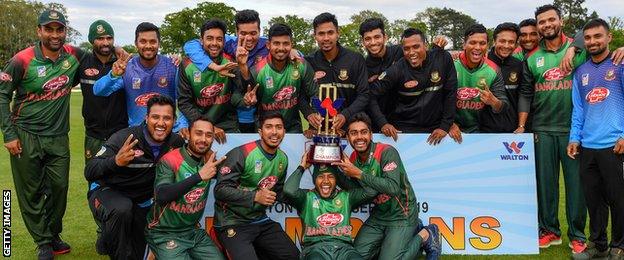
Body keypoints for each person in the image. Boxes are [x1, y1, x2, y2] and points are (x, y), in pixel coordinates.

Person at [0, 9, 87, 259]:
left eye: (59, 29)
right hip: (26, 135)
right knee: (32, 192)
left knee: (59, 188)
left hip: (59, 137)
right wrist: (9, 134)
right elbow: (2, 93)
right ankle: (43, 242)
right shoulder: (22, 60)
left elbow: (99, 59)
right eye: (49, 29)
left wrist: (120, 53)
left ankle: (53, 232)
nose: (55, 34)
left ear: (65, 31)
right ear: (39, 31)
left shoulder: (73, 55)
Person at [517, 5, 589, 254]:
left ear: (561, 20)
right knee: (546, 186)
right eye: (542, 22)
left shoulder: (579, 47)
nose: (546, 25)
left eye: (551, 20)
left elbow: (592, 28)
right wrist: (523, 125)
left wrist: (573, 46)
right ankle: (549, 231)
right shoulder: (531, 57)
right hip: (543, 129)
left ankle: (578, 235)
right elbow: (526, 93)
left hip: (573, 131)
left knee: (575, 187)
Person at [85, 95, 185, 260]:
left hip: (140, 201)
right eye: (155, 117)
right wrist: (115, 161)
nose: (161, 123)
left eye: (167, 118)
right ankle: (110, 234)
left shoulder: (176, 142)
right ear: (146, 118)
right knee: (122, 210)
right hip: (106, 192)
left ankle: (108, 237)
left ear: (174, 120)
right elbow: (90, 170)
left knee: (139, 253)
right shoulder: (124, 138)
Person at [332, 112, 442, 260]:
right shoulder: (352, 158)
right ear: (348, 137)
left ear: (371, 134)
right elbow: (357, 191)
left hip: (402, 214)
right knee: (355, 256)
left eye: (364, 132)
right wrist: (333, 168)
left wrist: (358, 173)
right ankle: (395, 242)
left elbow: (393, 188)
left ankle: (426, 234)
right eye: (354, 133)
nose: (359, 137)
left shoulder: (386, 152)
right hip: (379, 215)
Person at [184, 10, 298, 133]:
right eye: (243, 33)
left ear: (260, 31)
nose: (248, 38)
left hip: (260, 117)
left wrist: (293, 51)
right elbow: (191, 45)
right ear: (236, 32)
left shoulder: (267, 45)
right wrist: (213, 66)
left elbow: (286, 50)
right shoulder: (228, 43)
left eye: (253, 33)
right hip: (235, 116)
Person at [567, 18, 624, 260]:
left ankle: (619, 245)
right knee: (594, 200)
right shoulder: (581, 71)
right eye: (588, 38)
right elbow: (578, 109)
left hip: (614, 145)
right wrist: (574, 138)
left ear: (609, 37)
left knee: (618, 199)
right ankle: (598, 245)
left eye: (597, 36)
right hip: (588, 146)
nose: (593, 42)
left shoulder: (621, 64)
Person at [213, 111, 299, 259]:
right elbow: (220, 190)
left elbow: (278, 192)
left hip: (260, 220)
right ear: (260, 132)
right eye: (269, 127)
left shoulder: (282, 158)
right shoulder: (242, 153)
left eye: (278, 127)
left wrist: (306, 197)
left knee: (292, 255)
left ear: (284, 132)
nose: (274, 132)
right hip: (232, 221)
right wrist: (255, 196)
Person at [145, 117, 226, 260]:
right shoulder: (170, 160)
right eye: (198, 133)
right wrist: (199, 176)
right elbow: (162, 195)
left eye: (208, 135)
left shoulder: (209, 160)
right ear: (188, 134)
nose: (203, 139)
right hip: (164, 232)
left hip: (193, 231)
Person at [93, 22, 188, 135]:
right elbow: (98, 91)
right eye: (143, 41)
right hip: (139, 135)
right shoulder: (127, 68)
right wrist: (113, 75)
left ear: (159, 43)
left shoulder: (172, 66)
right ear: (136, 44)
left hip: (169, 132)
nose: (148, 46)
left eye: (152, 41)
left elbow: (185, 100)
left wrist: (183, 125)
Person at [368, 28, 457, 144]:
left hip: (436, 129)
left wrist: (445, 125)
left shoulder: (443, 59)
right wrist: (383, 123)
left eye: (416, 47)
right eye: (406, 49)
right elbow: (370, 95)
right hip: (404, 131)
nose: (411, 52)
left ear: (425, 45)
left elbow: (450, 93)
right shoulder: (397, 69)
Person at [178, 19, 254, 144]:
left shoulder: (231, 61)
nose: (214, 43)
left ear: (224, 41)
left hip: (227, 124)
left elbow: (244, 89)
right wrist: (208, 126)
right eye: (209, 38)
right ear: (201, 41)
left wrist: (243, 66)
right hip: (198, 122)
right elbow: (184, 103)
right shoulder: (187, 65)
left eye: (219, 39)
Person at [284, 162, 376, 260]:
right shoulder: (307, 197)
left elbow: (371, 191)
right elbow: (289, 190)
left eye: (331, 176)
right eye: (320, 176)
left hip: (344, 250)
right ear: (314, 179)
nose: (326, 181)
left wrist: (347, 168)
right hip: (315, 249)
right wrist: (302, 166)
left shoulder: (346, 197)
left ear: (336, 180)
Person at [239, 23, 316, 133]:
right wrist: (249, 100)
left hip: (293, 128)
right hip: (266, 129)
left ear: (291, 44)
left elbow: (314, 94)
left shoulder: (301, 65)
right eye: (276, 43)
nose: (281, 48)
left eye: (285, 43)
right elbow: (247, 96)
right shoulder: (257, 70)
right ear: (268, 45)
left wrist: (313, 124)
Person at [306, 12, 370, 131]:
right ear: (314, 36)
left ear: (337, 33)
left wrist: (345, 115)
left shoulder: (355, 59)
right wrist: (309, 113)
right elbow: (300, 95)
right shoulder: (308, 62)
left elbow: (364, 95)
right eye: (321, 33)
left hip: (350, 130)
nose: (326, 38)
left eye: (330, 32)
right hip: (318, 131)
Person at [79, 19, 128, 165]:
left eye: (109, 38)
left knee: (122, 180)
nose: (105, 42)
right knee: (94, 178)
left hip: (120, 134)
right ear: (91, 40)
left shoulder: (124, 63)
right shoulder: (82, 62)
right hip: (94, 135)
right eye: (100, 38)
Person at [449, 24, 508, 142]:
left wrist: (494, 102)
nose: (478, 47)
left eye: (482, 43)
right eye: (472, 42)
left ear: (488, 45)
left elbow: (503, 106)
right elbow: (436, 100)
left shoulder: (493, 70)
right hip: (449, 130)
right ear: (464, 44)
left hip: (478, 132)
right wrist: (449, 123)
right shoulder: (450, 64)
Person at [484, 22, 524, 133]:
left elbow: (524, 97)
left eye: (511, 42)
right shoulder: (482, 63)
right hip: (482, 133)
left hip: (512, 132)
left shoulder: (519, 65)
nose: (506, 46)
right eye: (502, 41)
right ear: (494, 41)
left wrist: (521, 126)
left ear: (516, 45)